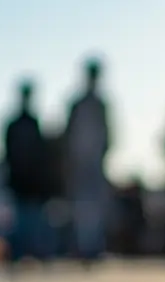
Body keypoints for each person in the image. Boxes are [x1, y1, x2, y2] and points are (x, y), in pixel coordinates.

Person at [64, 57, 112, 265]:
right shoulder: (79, 104)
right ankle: (85, 248)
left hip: (94, 164)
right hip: (81, 165)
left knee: (95, 207)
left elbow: (108, 134)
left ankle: (92, 248)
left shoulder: (100, 104)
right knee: (83, 208)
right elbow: (69, 135)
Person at [2, 79, 53, 267]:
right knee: (23, 222)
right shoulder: (22, 125)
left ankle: (30, 255)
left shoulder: (29, 124)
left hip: (29, 183)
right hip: (23, 182)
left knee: (29, 222)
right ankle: (20, 255)